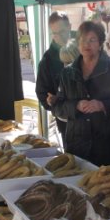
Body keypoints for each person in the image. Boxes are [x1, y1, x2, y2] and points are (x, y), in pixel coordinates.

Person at [53, 21, 110, 166]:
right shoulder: (67, 73)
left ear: (100, 43)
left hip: (106, 144)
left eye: (92, 40)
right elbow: (58, 107)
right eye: (82, 39)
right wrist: (76, 106)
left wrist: (102, 105)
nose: (86, 44)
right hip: (76, 144)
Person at [35, 11, 71, 144]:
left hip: (91, 120)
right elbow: (41, 92)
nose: (59, 37)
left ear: (69, 27)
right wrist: (54, 104)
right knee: (72, 159)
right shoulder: (47, 61)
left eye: (62, 31)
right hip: (66, 122)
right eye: (55, 33)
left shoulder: (82, 49)